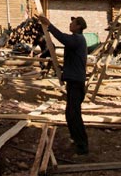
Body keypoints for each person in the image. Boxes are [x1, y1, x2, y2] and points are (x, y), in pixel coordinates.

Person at [37, 15, 89, 155]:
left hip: (76, 82)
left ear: (78, 26)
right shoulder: (76, 40)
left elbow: (63, 38)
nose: (70, 24)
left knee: (74, 114)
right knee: (70, 113)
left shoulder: (77, 39)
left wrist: (49, 24)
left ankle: (82, 145)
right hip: (73, 81)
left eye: (72, 23)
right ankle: (76, 139)